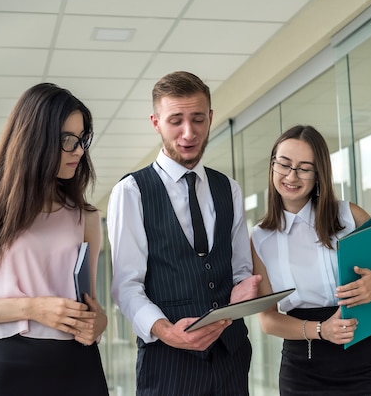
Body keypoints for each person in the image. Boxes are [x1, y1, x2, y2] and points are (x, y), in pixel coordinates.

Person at [0, 83, 109, 395]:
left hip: (80, 364)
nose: (79, 151)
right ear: (35, 140)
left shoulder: (87, 217)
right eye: (69, 140)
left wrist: (99, 322)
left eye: (82, 140)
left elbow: (89, 306)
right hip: (12, 364)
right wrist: (31, 308)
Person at [107, 71, 262, 396]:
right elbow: (126, 286)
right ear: (156, 122)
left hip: (231, 358)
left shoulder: (228, 189)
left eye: (197, 119)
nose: (188, 132)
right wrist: (166, 331)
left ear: (210, 118)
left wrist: (242, 289)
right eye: (176, 120)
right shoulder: (132, 191)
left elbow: (239, 269)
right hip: (168, 363)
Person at [250, 124, 371, 395]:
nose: (291, 175)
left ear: (319, 175)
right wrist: (322, 330)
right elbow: (268, 320)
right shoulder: (259, 238)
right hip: (301, 367)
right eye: (284, 164)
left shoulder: (348, 216)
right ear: (272, 166)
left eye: (304, 168)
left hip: (363, 358)